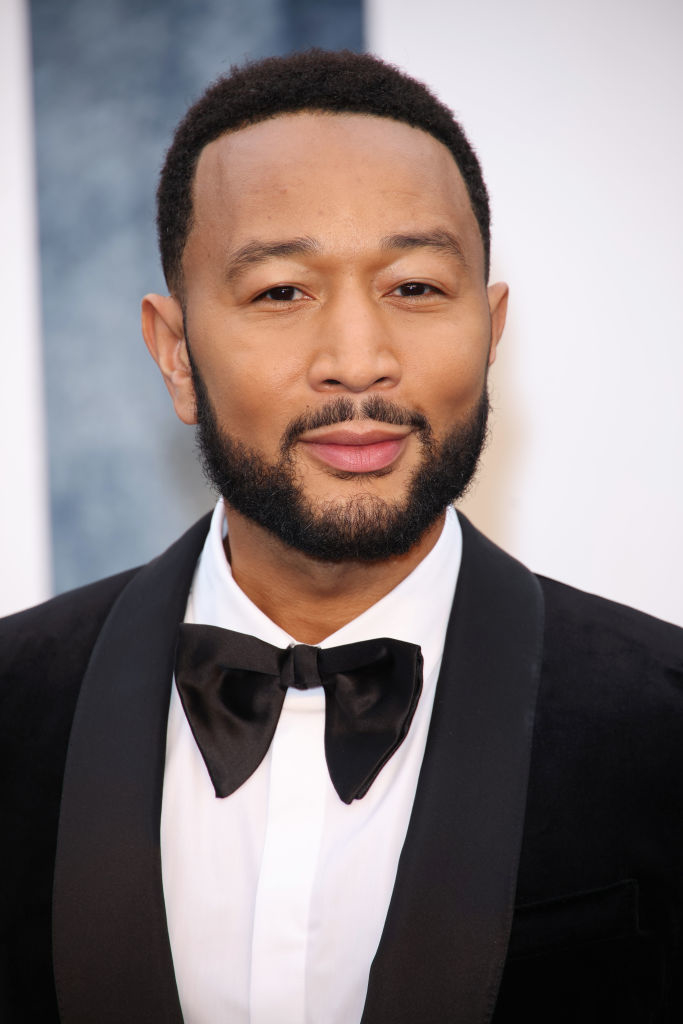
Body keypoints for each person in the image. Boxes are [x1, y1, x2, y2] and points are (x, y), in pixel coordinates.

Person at [1, 49, 682, 1024]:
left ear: (490, 334)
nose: (357, 361)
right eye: (281, 292)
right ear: (174, 350)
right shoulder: (14, 706)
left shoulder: (659, 725)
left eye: (412, 288)